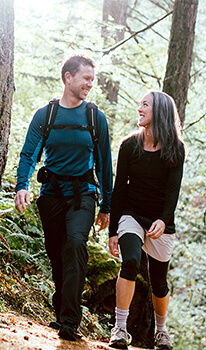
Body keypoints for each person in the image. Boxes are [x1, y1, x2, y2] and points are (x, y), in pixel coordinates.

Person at [14, 54, 113, 342]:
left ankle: (70, 321)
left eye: (93, 80)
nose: (90, 85)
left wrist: (106, 206)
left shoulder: (96, 118)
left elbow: (105, 166)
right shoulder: (46, 115)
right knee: (57, 255)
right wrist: (22, 185)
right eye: (86, 78)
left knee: (75, 244)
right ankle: (60, 310)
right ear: (68, 77)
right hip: (52, 196)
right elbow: (29, 153)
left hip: (83, 195)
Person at [108, 91, 185, 350]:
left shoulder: (176, 149)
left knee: (159, 282)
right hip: (131, 214)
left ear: (160, 112)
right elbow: (119, 190)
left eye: (145, 105)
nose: (139, 108)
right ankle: (119, 329)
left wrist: (164, 220)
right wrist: (112, 230)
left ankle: (161, 332)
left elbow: (173, 190)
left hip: (160, 221)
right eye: (139, 103)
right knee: (129, 262)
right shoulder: (129, 145)